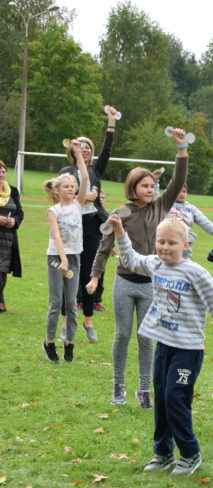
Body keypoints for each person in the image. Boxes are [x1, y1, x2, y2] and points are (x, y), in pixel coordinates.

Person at [110, 214, 213, 476]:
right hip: (164, 345)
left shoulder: (195, 272)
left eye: (172, 243)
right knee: (162, 399)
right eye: (161, 241)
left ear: (185, 245)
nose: (165, 247)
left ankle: (190, 454)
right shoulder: (155, 265)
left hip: (188, 350)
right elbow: (130, 259)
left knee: (175, 398)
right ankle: (163, 453)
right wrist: (119, 230)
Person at [88, 128, 190, 408]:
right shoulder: (120, 213)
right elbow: (104, 247)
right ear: (132, 188)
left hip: (152, 285)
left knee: (146, 338)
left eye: (152, 186)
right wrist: (95, 276)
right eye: (145, 186)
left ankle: (144, 389)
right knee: (122, 335)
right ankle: (118, 386)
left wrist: (181, 148)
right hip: (124, 282)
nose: (151, 190)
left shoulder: (160, 207)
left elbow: (179, 180)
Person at [60, 105, 119, 343]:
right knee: (68, 273)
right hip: (71, 225)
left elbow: (107, 150)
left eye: (88, 147)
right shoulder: (65, 171)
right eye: (81, 146)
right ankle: (66, 322)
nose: (85, 149)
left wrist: (111, 122)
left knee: (88, 272)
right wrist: (80, 197)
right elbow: (60, 197)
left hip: (93, 225)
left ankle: (88, 321)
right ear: (73, 150)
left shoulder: (95, 170)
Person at [42, 143, 90, 363]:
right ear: (57, 190)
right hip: (56, 258)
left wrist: (78, 154)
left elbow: (85, 177)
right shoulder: (54, 210)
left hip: (74, 257)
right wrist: (62, 259)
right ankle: (49, 342)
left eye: (73, 186)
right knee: (55, 303)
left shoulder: (79, 204)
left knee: (71, 304)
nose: (71, 189)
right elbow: (56, 236)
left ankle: (69, 343)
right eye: (67, 186)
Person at [169, 184, 213, 260]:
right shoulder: (166, 205)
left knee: (186, 267)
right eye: (179, 191)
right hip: (169, 244)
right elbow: (156, 199)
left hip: (185, 247)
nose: (182, 194)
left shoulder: (191, 209)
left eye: (184, 191)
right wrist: (156, 183)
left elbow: (205, 222)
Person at [0, 159, 23, 313]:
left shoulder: (13, 191)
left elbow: (19, 213)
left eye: (3, 171)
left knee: (2, 270)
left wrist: (14, 221)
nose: (1, 174)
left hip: (8, 239)